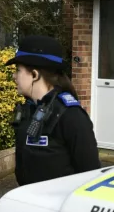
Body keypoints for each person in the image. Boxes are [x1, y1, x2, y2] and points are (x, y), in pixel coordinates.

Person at [7, 35, 100, 186]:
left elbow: (90, 174)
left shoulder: (71, 116)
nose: (14, 76)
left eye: (18, 70)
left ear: (34, 75)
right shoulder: (28, 109)